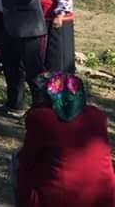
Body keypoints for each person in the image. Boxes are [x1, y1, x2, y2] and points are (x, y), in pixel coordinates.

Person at [13, 72, 115, 206]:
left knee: (16, 161)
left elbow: (27, 158)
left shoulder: (41, 117)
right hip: (104, 197)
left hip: (60, 199)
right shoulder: (98, 116)